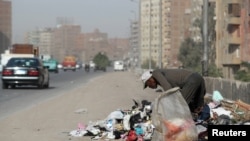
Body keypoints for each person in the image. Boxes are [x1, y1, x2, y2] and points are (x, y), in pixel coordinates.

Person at [141, 69, 206, 113]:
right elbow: (176, 91)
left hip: (192, 80)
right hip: (198, 78)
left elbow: (169, 90)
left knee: (180, 105)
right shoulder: (163, 75)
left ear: (150, 80)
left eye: (147, 84)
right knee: (197, 109)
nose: (149, 87)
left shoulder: (155, 73)